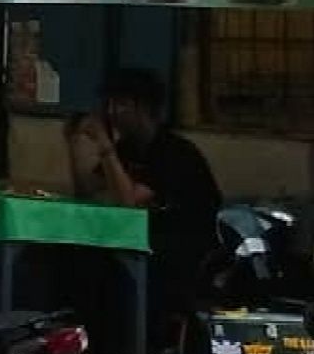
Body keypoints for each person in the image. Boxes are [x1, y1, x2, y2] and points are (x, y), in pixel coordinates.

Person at [75, 67, 222, 334]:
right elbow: (87, 192)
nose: (111, 112)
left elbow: (129, 203)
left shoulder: (174, 152)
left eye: (120, 105)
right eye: (109, 104)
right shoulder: (127, 148)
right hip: (139, 242)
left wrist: (105, 146)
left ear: (142, 108)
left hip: (181, 253)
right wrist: (72, 143)